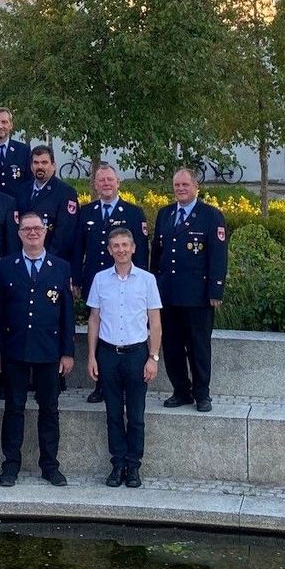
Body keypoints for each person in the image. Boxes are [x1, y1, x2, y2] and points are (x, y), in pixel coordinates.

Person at [0, 213, 75, 487]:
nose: (32, 233)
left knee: (49, 409)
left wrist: (67, 352)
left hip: (49, 350)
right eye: (26, 229)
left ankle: (50, 465)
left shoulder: (61, 267)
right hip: (14, 349)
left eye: (37, 228)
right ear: (18, 234)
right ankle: (10, 465)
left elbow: (66, 314)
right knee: (13, 408)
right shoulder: (4, 267)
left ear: (45, 232)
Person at [87, 226, 162, 488]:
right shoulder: (100, 279)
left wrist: (153, 358)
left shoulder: (147, 280)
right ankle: (117, 464)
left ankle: (133, 466)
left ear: (133, 248)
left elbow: (155, 322)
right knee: (113, 414)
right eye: (115, 246)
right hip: (108, 354)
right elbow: (94, 319)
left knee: (137, 415)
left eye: (125, 245)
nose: (120, 250)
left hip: (136, 354)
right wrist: (91, 357)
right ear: (109, 250)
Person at [71, 163, 149, 403]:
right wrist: (75, 279)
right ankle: (102, 385)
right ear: (95, 185)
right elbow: (77, 249)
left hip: (127, 281)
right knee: (101, 332)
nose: (105, 184)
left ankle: (125, 384)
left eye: (109, 180)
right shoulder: (86, 213)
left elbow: (142, 252)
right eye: (101, 180)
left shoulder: (134, 213)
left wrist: (143, 284)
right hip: (98, 283)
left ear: (118, 183)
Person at [152, 169, 227, 413]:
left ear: (196, 186)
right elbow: (157, 255)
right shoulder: (165, 214)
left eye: (185, 184)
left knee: (198, 346)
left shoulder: (210, 216)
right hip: (169, 294)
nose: (180, 188)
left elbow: (218, 256)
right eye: (177, 184)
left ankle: (202, 393)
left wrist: (216, 290)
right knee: (172, 345)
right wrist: (153, 287)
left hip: (197, 295)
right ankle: (181, 391)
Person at [13, 145, 77, 252]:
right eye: (36, 163)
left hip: (51, 259)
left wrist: (45, 260)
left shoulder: (66, 193)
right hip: (24, 257)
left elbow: (64, 234)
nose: (40, 166)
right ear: (31, 166)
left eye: (44, 162)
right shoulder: (21, 191)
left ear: (53, 166)